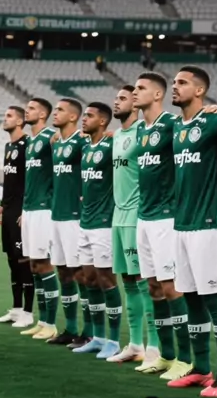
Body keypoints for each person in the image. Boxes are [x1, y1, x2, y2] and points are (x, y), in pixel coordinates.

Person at [169, 66, 217, 398]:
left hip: (208, 223)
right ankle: (200, 368)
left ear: (199, 90)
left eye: (182, 82)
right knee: (191, 296)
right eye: (173, 82)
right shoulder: (176, 127)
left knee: (213, 297)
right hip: (181, 223)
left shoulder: (213, 122)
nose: (175, 86)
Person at [133, 72, 192, 380]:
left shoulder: (172, 124)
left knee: (171, 287)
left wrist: (213, 109)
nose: (135, 92)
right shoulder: (141, 129)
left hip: (166, 218)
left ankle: (185, 358)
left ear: (158, 95)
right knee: (153, 287)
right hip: (144, 217)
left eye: (141, 88)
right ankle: (166, 355)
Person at [107, 86, 159, 365]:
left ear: (136, 105)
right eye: (116, 98)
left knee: (143, 282)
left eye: (123, 98)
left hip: (137, 214)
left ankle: (154, 347)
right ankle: (135, 344)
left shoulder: (143, 131)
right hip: (118, 215)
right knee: (127, 281)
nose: (117, 102)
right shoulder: (117, 135)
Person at [72, 102, 123, 360]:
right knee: (89, 279)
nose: (84, 119)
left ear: (103, 121)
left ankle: (114, 341)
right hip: (85, 222)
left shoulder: (111, 144)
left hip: (104, 223)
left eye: (89, 116)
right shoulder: (86, 147)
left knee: (107, 281)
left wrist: (118, 135)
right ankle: (98, 338)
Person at [47, 98, 86, 347]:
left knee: (80, 274)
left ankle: (89, 331)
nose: (55, 113)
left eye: (60, 110)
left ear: (73, 117)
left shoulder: (82, 141)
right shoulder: (56, 143)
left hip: (75, 217)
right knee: (63, 272)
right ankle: (70, 329)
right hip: (56, 216)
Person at [19, 98, 59, 342]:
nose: (27, 111)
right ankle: (42, 321)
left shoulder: (50, 137)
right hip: (29, 209)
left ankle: (51, 324)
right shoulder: (31, 141)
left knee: (44, 265)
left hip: (44, 210)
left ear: (43, 114)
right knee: (34, 266)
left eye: (32, 108)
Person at [0, 106, 34, 328]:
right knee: (11, 259)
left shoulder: (28, 144)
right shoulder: (8, 146)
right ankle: (16, 309)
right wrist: (2, 205)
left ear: (20, 121)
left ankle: (28, 312)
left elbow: (31, 179)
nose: (5, 119)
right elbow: (9, 179)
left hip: (21, 209)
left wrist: (26, 209)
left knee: (23, 260)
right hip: (9, 209)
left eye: (9, 116)